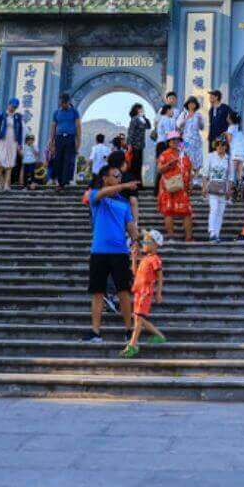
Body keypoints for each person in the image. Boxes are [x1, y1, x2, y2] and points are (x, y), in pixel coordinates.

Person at [82, 164, 139, 342]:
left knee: (123, 291)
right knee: (98, 292)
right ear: (105, 178)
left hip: (120, 252)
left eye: (120, 177)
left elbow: (130, 225)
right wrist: (123, 187)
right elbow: (99, 194)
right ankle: (95, 331)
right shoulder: (95, 195)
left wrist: (137, 240)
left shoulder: (123, 202)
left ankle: (129, 329)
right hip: (99, 251)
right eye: (115, 176)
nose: (119, 179)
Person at [121, 229, 167, 357]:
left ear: (156, 245)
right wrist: (134, 258)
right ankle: (159, 336)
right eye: (144, 240)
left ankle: (132, 345)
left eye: (148, 241)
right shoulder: (145, 259)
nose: (144, 243)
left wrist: (158, 293)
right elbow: (135, 273)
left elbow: (160, 277)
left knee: (139, 319)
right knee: (138, 318)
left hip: (145, 293)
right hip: (138, 291)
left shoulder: (155, 259)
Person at [156, 132, 194, 242]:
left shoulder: (184, 155)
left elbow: (189, 170)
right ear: (168, 142)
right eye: (172, 140)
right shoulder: (164, 154)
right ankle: (171, 236)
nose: (175, 142)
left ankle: (188, 237)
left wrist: (190, 184)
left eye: (177, 140)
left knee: (187, 212)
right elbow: (159, 170)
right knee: (169, 211)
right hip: (168, 187)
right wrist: (168, 165)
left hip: (182, 188)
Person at [202, 137, 234, 242]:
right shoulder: (210, 157)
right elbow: (205, 173)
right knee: (214, 209)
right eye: (218, 144)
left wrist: (230, 189)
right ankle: (212, 231)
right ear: (215, 145)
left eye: (223, 144)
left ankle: (217, 234)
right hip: (212, 187)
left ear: (226, 146)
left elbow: (230, 176)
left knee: (220, 211)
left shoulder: (229, 159)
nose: (220, 147)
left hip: (223, 188)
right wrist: (204, 187)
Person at [50, 93, 82, 190]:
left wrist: (78, 140)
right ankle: (60, 182)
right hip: (59, 138)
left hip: (70, 138)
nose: (62, 104)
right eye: (61, 102)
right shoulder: (56, 112)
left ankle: (63, 182)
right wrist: (51, 140)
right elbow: (53, 127)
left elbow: (78, 127)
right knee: (58, 160)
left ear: (68, 102)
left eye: (64, 102)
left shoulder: (74, 112)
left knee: (68, 160)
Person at [0, 98, 23, 191]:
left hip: (12, 141)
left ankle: (6, 185)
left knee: (10, 162)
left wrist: (19, 144)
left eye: (15, 107)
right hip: (1, 140)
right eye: (12, 106)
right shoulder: (2, 115)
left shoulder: (17, 117)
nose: (13, 108)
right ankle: (1, 181)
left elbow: (20, 132)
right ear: (8, 105)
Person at [176, 96, 205, 178]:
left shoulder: (199, 115)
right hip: (185, 139)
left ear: (196, 105)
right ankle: (187, 175)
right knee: (185, 156)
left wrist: (200, 122)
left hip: (196, 139)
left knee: (198, 158)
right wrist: (185, 119)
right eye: (190, 103)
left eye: (193, 103)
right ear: (187, 105)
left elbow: (202, 128)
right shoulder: (184, 114)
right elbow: (178, 125)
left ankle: (195, 177)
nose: (192, 105)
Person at [127, 104, 151, 181]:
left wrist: (145, 117)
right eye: (140, 109)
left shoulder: (142, 119)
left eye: (142, 109)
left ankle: (138, 181)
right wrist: (129, 145)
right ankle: (134, 181)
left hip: (141, 146)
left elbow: (148, 126)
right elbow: (130, 133)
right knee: (135, 164)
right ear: (136, 110)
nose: (142, 110)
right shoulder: (134, 119)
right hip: (135, 145)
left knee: (139, 164)